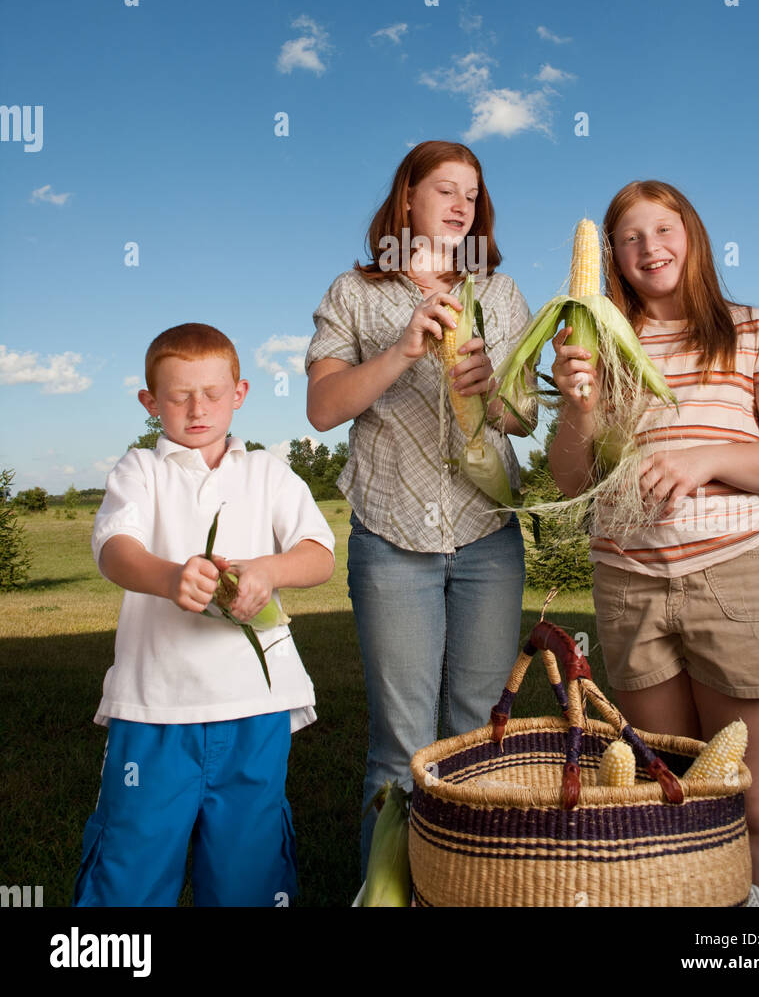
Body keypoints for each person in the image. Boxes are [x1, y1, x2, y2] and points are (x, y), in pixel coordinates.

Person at [548, 181, 759, 906]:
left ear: (692, 236)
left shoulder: (754, 329)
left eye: (663, 229)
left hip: (731, 578)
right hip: (629, 585)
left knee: (751, 796)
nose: (649, 248)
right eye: (629, 238)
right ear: (612, 256)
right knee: (667, 801)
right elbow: (573, 477)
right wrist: (576, 406)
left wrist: (707, 459)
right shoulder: (598, 344)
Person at [305, 141, 536, 867]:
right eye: (446, 188)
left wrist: (493, 388)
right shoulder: (354, 292)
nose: (463, 202)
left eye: (473, 191)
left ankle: (471, 885)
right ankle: (388, 892)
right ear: (407, 199)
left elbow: (524, 417)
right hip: (392, 536)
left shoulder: (499, 295)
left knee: (478, 734)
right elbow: (321, 408)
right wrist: (403, 349)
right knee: (400, 742)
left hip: (486, 536)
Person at [72, 322, 335, 907]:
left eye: (213, 394)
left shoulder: (267, 471)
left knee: (249, 871)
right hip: (154, 709)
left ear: (239, 393)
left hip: (256, 708)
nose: (198, 409)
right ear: (150, 402)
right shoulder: (139, 470)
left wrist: (266, 572)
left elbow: (318, 555)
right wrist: (170, 577)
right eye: (178, 395)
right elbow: (116, 551)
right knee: (131, 865)